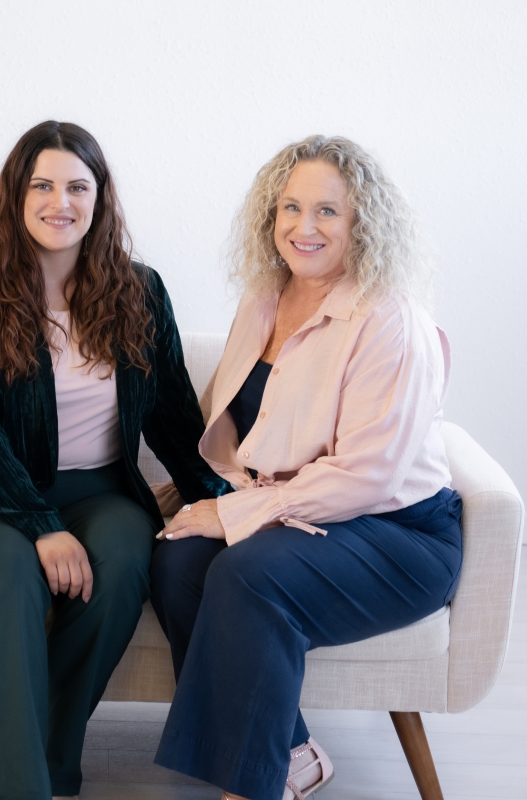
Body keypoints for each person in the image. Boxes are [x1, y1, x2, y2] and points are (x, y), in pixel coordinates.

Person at [0, 120, 231, 800]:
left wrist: (223, 500)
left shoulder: (140, 291)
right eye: (43, 185)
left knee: (124, 557)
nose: (61, 202)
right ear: (16, 198)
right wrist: (40, 524)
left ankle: (51, 764)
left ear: (100, 198)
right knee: (10, 567)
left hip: (103, 488)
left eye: (77, 186)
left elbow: (172, 417)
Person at [149, 135, 461, 800]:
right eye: (290, 208)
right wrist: (205, 498)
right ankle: (288, 753)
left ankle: (251, 788)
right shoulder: (264, 298)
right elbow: (245, 430)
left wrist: (232, 515)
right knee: (177, 561)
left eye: (327, 211)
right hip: (298, 514)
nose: (304, 227)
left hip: (397, 533)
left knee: (246, 572)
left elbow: (367, 476)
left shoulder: (389, 318)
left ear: (362, 224)